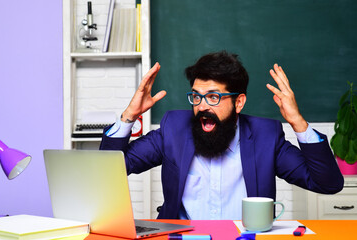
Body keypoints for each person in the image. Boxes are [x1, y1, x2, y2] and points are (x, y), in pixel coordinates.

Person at [100, 51, 344, 220]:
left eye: (214, 97)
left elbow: (327, 183)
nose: (202, 106)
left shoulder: (265, 136)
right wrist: (129, 116)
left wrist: (298, 123)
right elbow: (110, 170)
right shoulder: (174, 128)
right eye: (196, 96)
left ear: (239, 102)